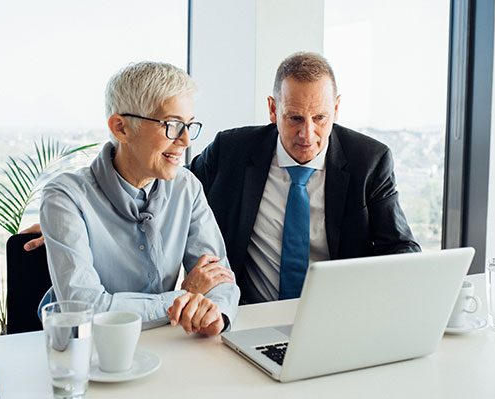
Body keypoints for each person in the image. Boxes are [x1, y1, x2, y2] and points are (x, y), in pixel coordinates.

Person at [188, 52, 421, 304]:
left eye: (320, 118)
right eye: (295, 118)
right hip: (248, 316)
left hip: (338, 314)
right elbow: (176, 191)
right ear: (273, 109)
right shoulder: (230, 150)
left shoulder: (370, 161)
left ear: (336, 108)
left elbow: (400, 248)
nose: (307, 134)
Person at [37, 61, 239, 335]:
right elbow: (83, 308)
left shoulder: (186, 187)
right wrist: (183, 297)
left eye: (189, 125)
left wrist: (217, 313)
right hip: (89, 352)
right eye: (172, 125)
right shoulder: (65, 197)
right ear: (121, 128)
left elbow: (219, 278)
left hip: (166, 344)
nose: (186, 141)